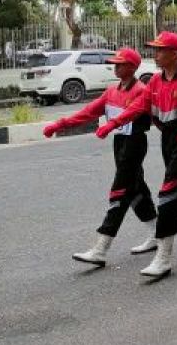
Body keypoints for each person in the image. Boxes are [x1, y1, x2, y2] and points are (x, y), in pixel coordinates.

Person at [95, 32, 177, 280]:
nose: (155, 54)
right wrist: (113, 123)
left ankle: (163, 256)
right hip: (168, 140)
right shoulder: (156, 82)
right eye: (155, 49)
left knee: (168, 194)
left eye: (160, 50)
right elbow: (140, 107)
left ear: (174, 54)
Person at [42, 47, 158, 266]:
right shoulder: (111, 90)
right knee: (135, 189)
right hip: (120, 143)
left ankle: (101, 248)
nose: (115, 67)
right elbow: (88, 112)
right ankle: (157, 232)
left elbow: (131, 114)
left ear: (132, 67)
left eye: (120, 64)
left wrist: (113, 124)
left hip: (135, 143)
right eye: (114, 63)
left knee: (119, 192)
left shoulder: (142, 90)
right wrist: (61, 124)